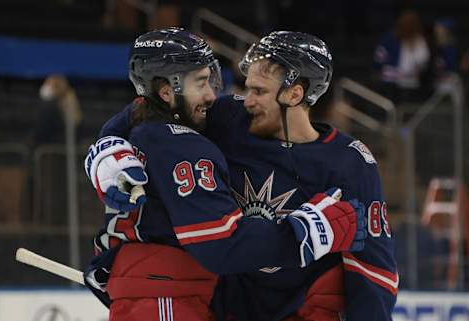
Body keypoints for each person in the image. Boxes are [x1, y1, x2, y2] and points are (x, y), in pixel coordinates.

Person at [83, 27, 366, 321]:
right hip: (164, 293)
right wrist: (305, 232)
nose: (211, 95)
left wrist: (106, 141)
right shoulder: (183, 146)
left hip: (161, 290)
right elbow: (220, 243)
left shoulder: (142, 133)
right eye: (202, 83)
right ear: (167, 90)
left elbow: (136, 111)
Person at [373, 9, 430, 104]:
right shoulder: (390, 37)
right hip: (390, 80)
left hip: (409, 81)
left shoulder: (419, 40)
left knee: (405, 107)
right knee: (391, 104)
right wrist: (379, 69)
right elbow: (380, 55)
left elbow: (423, 60)